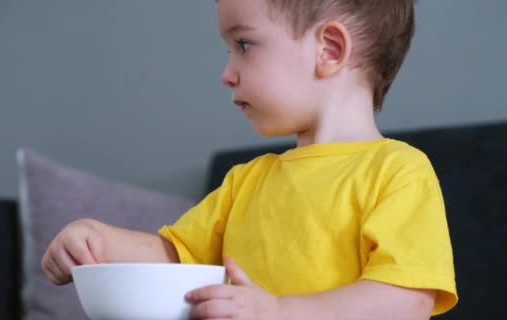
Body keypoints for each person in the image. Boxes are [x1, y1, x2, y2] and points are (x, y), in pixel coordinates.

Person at [42, 0, 458, 318]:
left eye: (244, 45)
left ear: (329, 50)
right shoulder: (245, 181)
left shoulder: (398, 172)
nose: (226, 72)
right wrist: (99, 240)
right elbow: (175, 257)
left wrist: (278, 312)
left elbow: (406, 301)